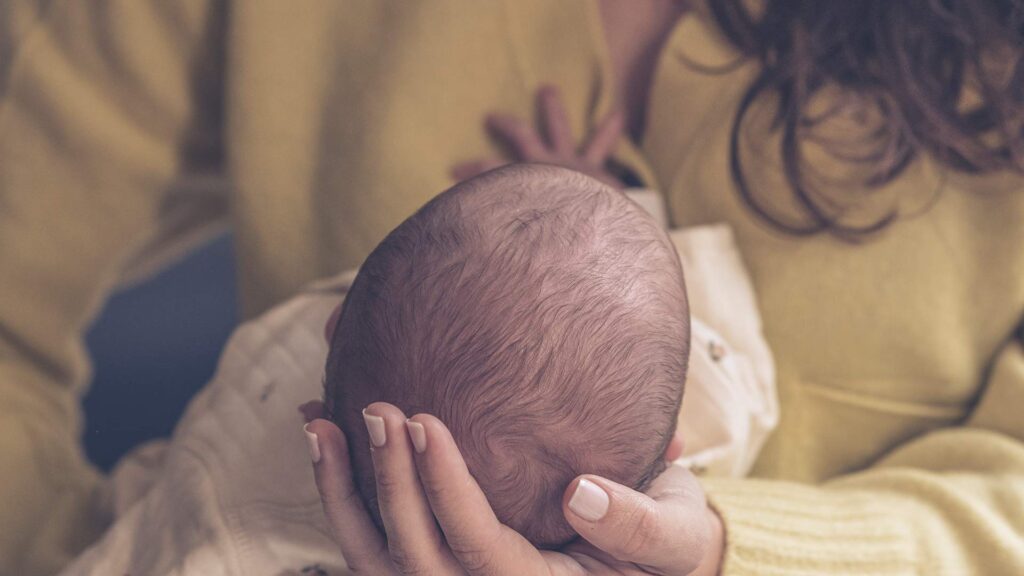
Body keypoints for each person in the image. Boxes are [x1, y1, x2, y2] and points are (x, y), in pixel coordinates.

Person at [2, 0, 1022, 574]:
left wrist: (726, 556)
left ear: (338, 327)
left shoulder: (252, 426)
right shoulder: (706, 407)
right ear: (668, 459)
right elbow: (722, 357)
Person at [57, 167, 776, 575]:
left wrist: (586, 199)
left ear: (333, 326)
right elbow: (732, 371)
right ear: (669, 456)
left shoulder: (281, 342)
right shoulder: (685, 432)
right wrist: (633, 209)